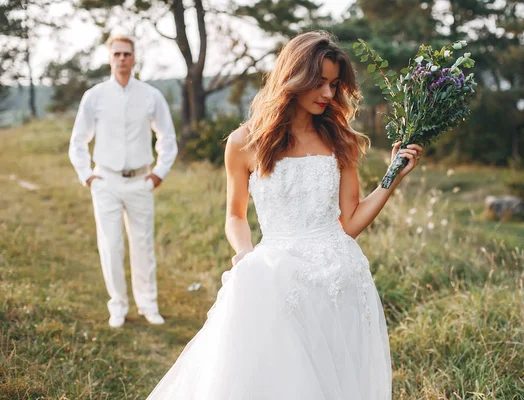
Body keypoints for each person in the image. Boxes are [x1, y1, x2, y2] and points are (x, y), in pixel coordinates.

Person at [147, 30, 422, 399]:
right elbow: (235, 215)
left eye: (334, 84)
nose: (327, 94)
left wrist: (392, 178)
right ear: (294, 78)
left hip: (340, 279)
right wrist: (245, 254)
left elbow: (350, 223)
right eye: (319, 83)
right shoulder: (244, 142)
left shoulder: (341, 140)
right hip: (277, 277)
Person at [69, 35, 178, 328]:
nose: (121, 58)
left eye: (126, 54)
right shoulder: (94, 96)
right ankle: (117, 305)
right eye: (116, 53)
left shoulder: (151, 95)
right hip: (106, 179)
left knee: (143, 245)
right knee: (111, 245)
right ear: (109, 58)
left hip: (141, 180)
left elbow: (167, 137)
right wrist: (87, 175)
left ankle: (148, 305)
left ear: (134, 57)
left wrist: (159, 173)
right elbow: (78, 140)